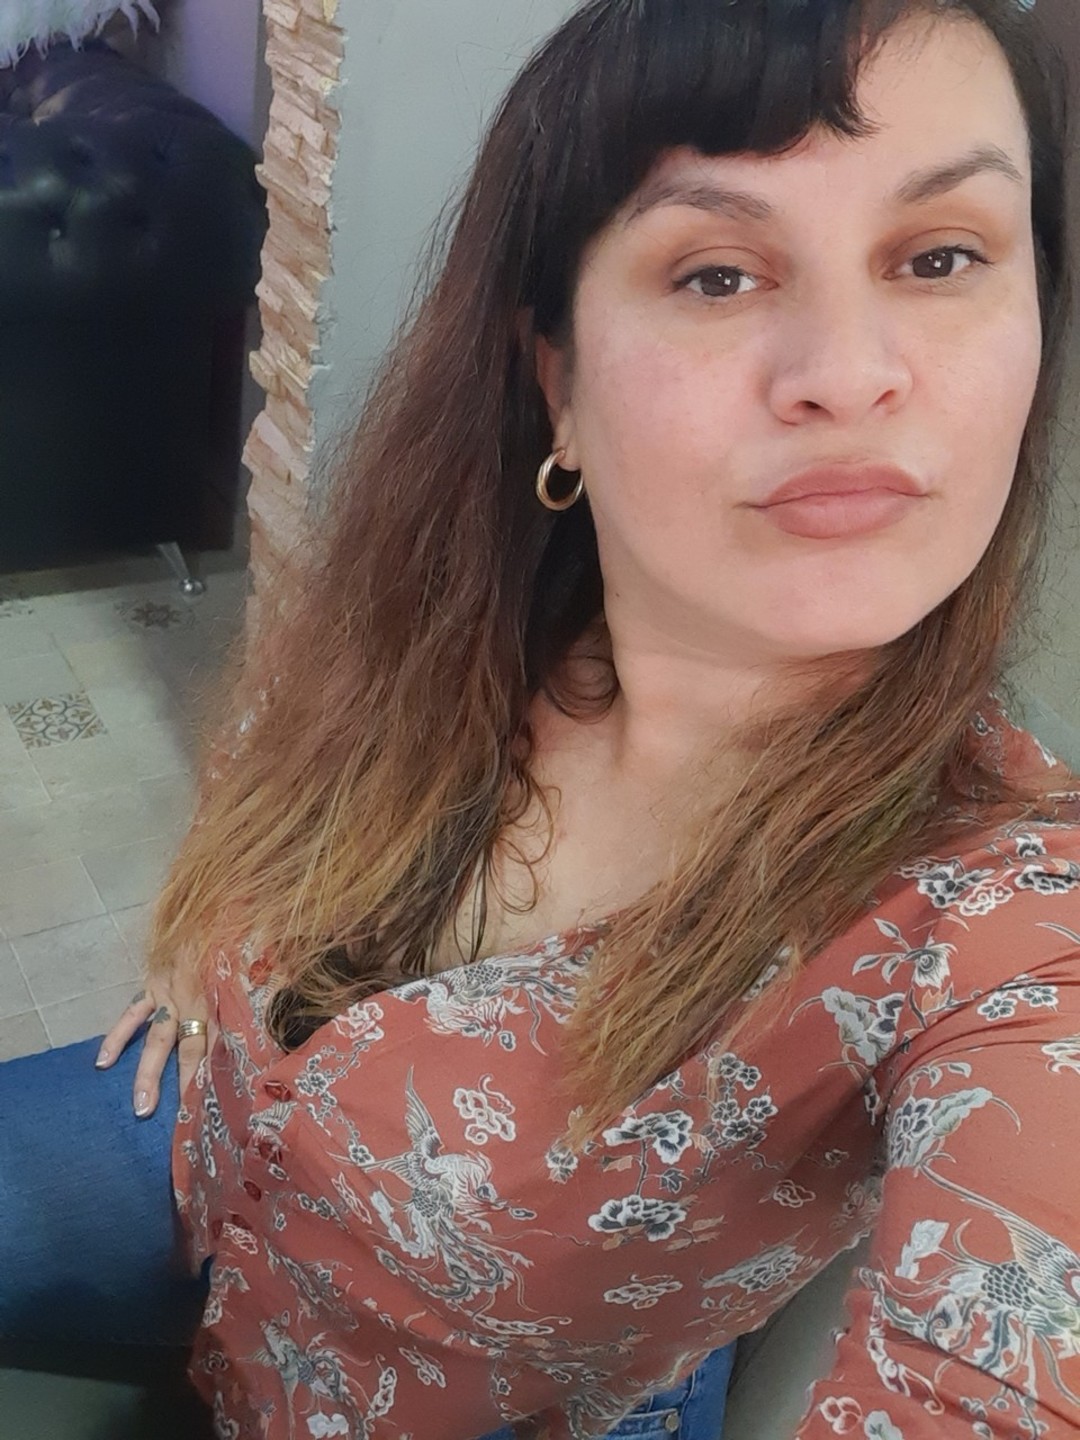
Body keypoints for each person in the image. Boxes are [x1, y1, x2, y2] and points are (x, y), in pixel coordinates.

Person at [2, 0, 1077, 1435]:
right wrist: (207, 944)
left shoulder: (1007, 920)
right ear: (559, 381)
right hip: (205, 1138)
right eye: (716, 272)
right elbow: (270, 799)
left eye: (940, 257)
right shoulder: (451, 623)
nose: (847, 370)